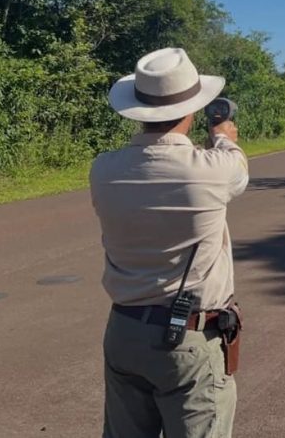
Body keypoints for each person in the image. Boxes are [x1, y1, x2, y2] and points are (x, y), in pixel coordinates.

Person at [89, 47, 248, 438]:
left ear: (138, 110)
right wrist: (222, 136)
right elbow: (238, 167)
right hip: (188, 338)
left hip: (124, 330)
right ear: (191, 111)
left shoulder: (103, 169)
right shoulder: (212, 170)